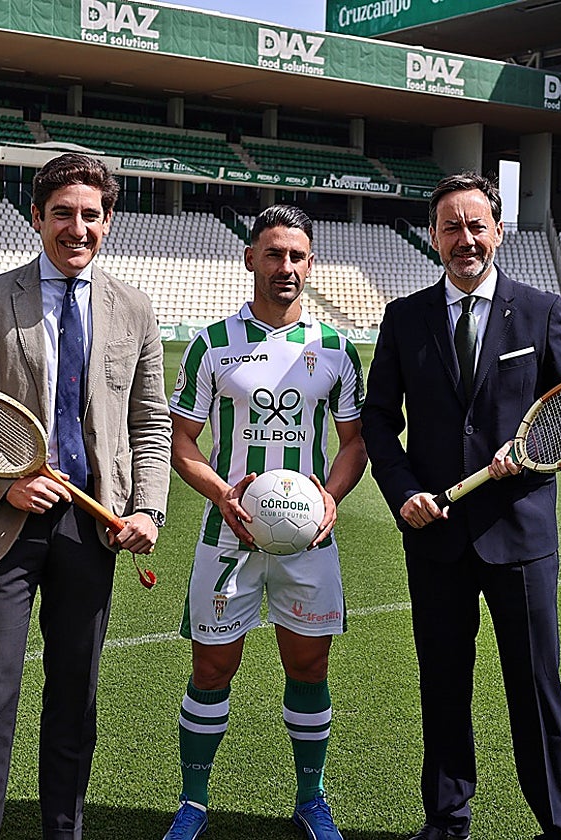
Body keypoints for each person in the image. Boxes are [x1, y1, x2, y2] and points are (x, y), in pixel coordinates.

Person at [0, 152, 171, 840]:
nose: (77, 227)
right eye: (62, 212)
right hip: (3, 525)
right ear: (37, 217)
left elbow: (149, 421)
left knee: (75, 700)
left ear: (109, 222)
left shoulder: (135, 306)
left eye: (91, 214)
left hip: (94, 527)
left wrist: (147, 508)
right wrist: (6, 482)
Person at [361, 172, 561, 840]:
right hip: (436, 536)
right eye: (450, 227)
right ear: (433, 236)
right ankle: (446, 818)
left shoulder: (542, 310)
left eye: (475, 225)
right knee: (443, 685)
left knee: (535, 687)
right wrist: (404, 494)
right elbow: (378, 420)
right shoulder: (404, 317)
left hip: (519, 534)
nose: (465, 239)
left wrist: (532, 453)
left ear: (498, 230)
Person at [160, 205, 367, 840]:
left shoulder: (333, 348)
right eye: (273, 253)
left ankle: (311, 800)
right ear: (251, 258)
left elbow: (355, 442)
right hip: (228, 534)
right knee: (211, 670)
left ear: (311, 264)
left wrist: (330, 497)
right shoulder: (213, 344)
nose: (286, 267)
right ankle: (194, 802)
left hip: (310, 538)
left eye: (297, 256)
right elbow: (182, 442)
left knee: (308, 668)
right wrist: (225, 494)